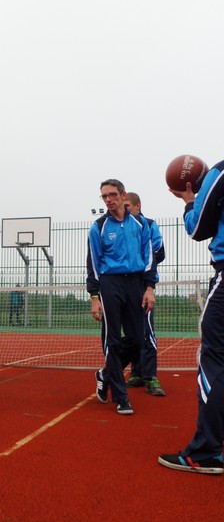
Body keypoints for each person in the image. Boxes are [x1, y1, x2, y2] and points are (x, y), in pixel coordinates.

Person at [158, 166, 224, 474]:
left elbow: (197, 229)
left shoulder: (219, 172)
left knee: (215, 359)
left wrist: (188, 201)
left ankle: (205, 451)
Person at [86, 178, 156, 415]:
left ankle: (105, 374)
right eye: (104, 196)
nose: (108, 200)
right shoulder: (98, 227)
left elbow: (149, 256)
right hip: (110, 284)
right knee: (113, 342)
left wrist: (149, 287)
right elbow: (93, 263)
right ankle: (121, 397)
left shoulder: (140, 223)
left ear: (123, 195)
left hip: (135, 283)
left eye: (112, 195)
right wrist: (94, 297)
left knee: (138, 340)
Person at [124, 192, 166, 396]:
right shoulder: (119, 227)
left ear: (137, 206)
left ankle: (151, 377)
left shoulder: (149, 224)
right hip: (125, 286)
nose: (125, 209)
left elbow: (160, 252)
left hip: (143, 286)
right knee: (132, 333)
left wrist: (138, 262)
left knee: (147, 332)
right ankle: (137, 373)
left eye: (127, 205)